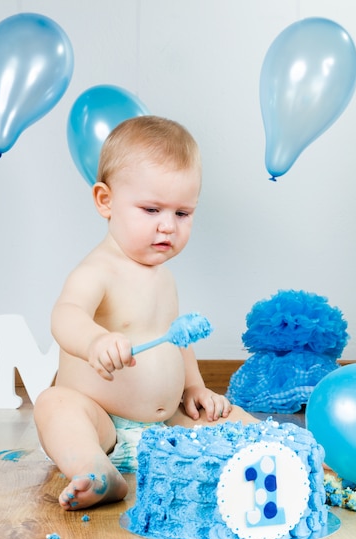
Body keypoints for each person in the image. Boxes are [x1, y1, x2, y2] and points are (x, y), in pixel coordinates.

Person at [34, 115, 256, 511]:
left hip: (167, 425)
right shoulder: (96, 271)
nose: (168, 227)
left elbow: (177, 341)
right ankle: (96, 471)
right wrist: (94, 340)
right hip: (104, 426)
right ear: (106, 201)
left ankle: (290, 454)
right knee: (54, 405)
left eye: (182, 214)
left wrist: (194, 389)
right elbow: (65, 315)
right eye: (151, 209)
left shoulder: (164, 278)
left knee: (234, 418)